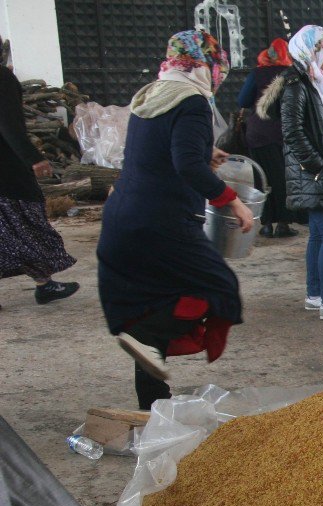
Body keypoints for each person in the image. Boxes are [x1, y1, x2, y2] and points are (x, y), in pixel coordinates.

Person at [98, 29, 255, 409]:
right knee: (218, 287)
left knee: (155, 301)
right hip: (161, 221)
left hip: (124, 217)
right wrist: (232, 201)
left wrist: (207, 150)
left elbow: (163, 148)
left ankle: (153, 410)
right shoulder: (193, 102)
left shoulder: (153, 93)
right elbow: (185, 165)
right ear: (206, 64)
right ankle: (146, 337)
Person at [258, 25, 323, 321]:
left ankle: (315, 295)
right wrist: (316, 165)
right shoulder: (297, 84)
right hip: (315, 171)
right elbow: (292, 132)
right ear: (311, 51)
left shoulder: (318, 80)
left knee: (319, 233)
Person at [0, 55, 79, 310]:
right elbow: (8, 124)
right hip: (7, 171)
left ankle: (44, 283)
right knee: (28, 222)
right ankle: (44, 283)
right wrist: (32, 157)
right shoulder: (1, 77)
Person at [238, 38, 298, 239]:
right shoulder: (290, 74)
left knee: (261, 178)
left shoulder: (256, 73)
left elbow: (243, 101)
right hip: (282, 134)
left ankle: (266, 224)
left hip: (257, 134)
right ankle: (283, 223)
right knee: (282, 179)